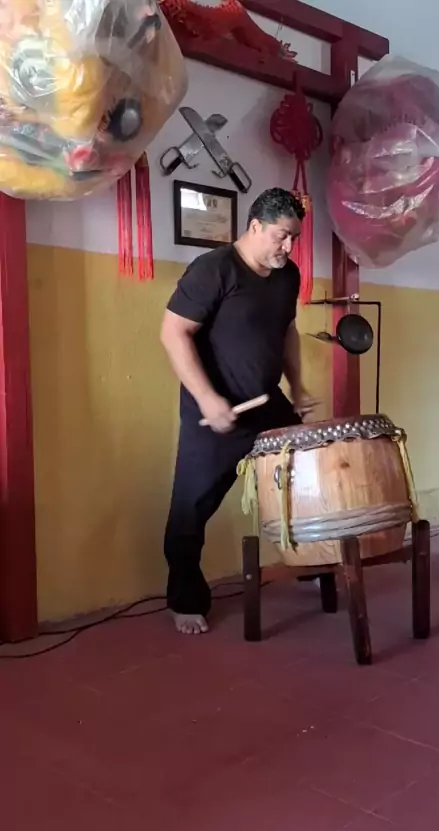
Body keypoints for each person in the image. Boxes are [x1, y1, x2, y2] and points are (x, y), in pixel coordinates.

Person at [160, 187, 316, 635]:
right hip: (216, 408)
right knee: (191, 508)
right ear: (255, 227)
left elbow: (287, 331)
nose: (289, 247)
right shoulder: (214, 269)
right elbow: (173, 334)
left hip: (266, 401)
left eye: (294, 238)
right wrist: (208, 398)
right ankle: (185, 601)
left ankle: (313, 562)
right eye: (281, 236)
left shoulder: (287, 276)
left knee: (308, 480)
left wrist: (297, 386)